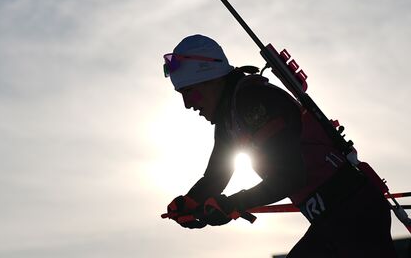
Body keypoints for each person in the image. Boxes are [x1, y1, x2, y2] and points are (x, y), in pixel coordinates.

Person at [162, 34, 398, 257]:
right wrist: (190, 202)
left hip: (355, 214)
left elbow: (291, 176)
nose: (188, 105)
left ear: (211, 79)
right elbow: (216, 176)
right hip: (338, 218)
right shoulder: (229, 120)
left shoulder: (253, 101)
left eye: (191, 93)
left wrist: (232, 204)